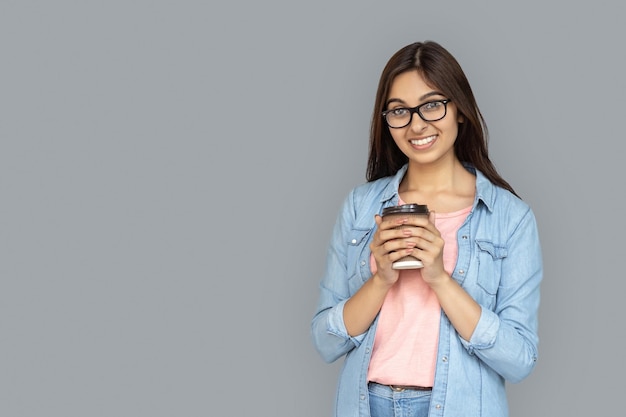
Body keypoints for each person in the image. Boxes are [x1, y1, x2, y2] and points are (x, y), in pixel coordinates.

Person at [311, 41, 542, 417]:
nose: (417, 124)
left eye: (432, 104)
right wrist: (381, 278)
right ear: (386, 120)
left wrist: (439, 277)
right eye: (399, 111)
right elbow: (325, 341)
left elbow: (519, 359)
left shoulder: (510, 218)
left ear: (460, 110)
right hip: (367, 405)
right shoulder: (360, 207)